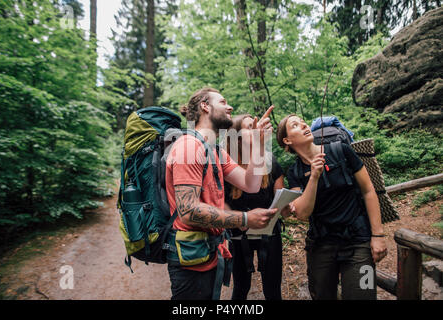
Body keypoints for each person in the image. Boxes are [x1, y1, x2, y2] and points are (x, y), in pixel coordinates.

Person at [164, 87, 277, 300]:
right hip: (190, 262)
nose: (230, 106)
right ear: (205, 106)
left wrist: (259, 144)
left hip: (210, 254)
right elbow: (188, 211)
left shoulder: (215, 151)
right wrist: (244, 218)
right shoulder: (188, 147)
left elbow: (251, 184)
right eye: (223, 102)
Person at [276, 114, 387, 300]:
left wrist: (378, 235)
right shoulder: (295, 172)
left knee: (364, 295)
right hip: (321, 246)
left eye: (302, 121)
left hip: (358, 240)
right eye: (295, 125)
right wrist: (313, 177)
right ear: (287, 140)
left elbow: (368, 191)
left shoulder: (341, 151)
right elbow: (302, 213)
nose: (303, 124)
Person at [223, 113, 289, 300]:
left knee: (273, 288)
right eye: (248, 126)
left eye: (255, 125)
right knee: (241, 287)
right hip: (238, 231)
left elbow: (280, 197)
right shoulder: (227, 163)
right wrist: (240, 220)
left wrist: (286, 207)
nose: (254, 129)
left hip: (269, 231)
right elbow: (221, 201)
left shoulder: (270, 160)